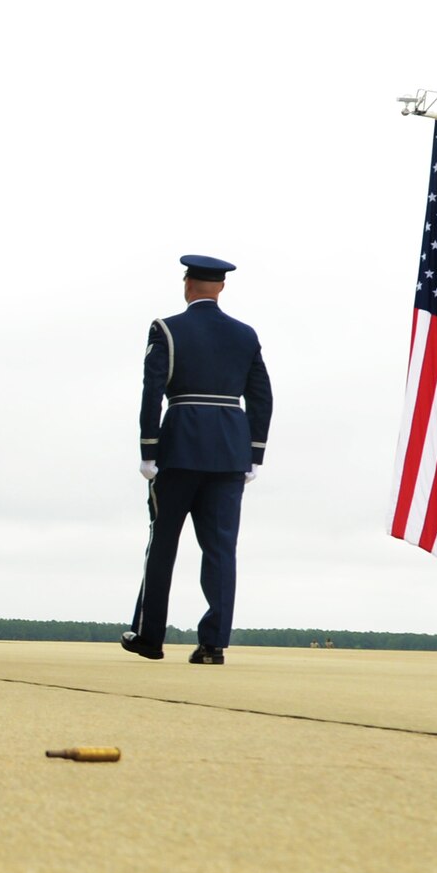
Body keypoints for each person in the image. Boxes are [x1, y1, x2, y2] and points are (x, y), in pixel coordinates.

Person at [121, 254, 273, 665]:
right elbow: (260, 396)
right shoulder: (245, 334)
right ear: (220, 287)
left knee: (163, 543)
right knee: (221, 549)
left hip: (180, 448)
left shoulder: (167, 330)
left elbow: (152, 391)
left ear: (187, 284)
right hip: (230, 451)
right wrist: (254, 453)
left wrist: (148, 450)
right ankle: (213, 644)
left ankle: (150, 637)